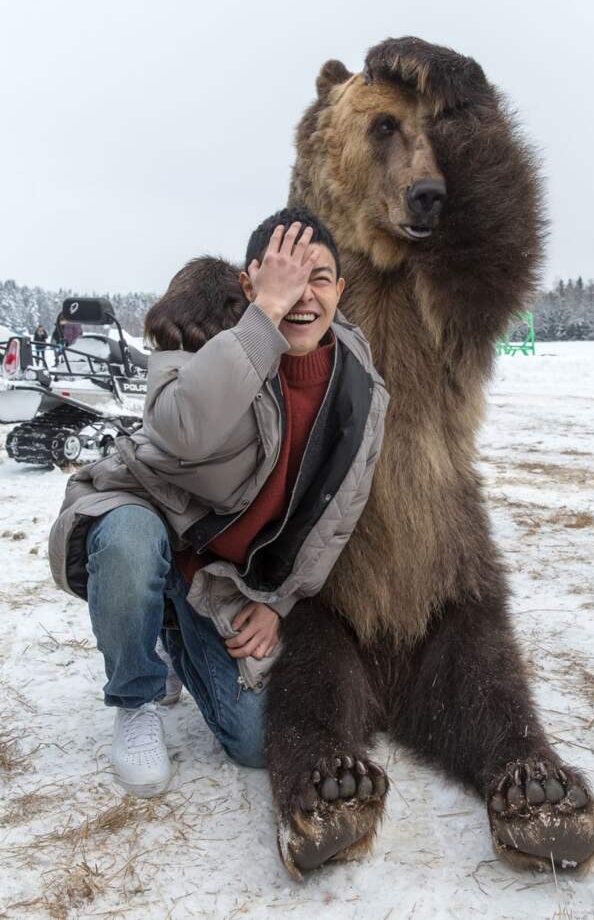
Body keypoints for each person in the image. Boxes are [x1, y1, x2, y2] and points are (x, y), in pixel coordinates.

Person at [48, 208, 389, 798]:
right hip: (144, 507)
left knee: (256, 742)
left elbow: (338, 514)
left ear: (341, 289)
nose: (303, 296)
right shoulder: (210, 340)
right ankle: (136, 698)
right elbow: (182, 430)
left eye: (320, 277)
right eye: (285, 275)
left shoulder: (359, 385)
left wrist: (280, 603)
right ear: (249, 284)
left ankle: (172, 627)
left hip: (214, 566)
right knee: (132, 541)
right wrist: (263, 318)